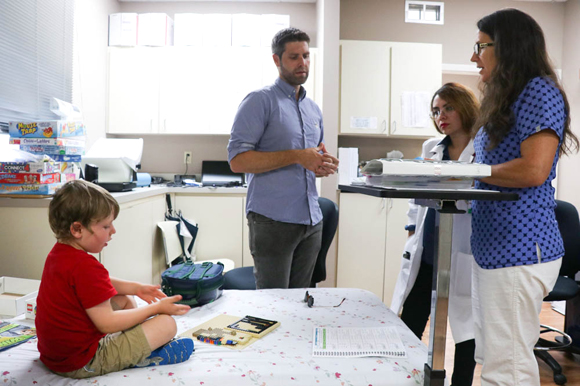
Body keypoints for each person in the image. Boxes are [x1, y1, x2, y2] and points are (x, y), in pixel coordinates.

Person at [469, 8, 578, 386]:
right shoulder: (508, 98)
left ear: (508, 47)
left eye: (480, 47)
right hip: (494, 247)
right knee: (497, 359)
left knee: (509, 368)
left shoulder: (538, 91)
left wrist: (475, 172)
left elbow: (533, 170)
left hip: (518, 248)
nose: (474, 56)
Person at [36, 180, 194, 378]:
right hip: (82, 362)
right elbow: (107, 324)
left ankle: (135, 344)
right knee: (166, 324)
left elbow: (98, 284)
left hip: (55, 356)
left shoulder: (59, 254)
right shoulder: (85, 266)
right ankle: (140, 354)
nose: (113, 231)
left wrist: (135, 288)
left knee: (125, 298)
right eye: (106, 226)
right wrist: (155, 309)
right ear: (77, 229)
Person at [227, 27, 339, 289]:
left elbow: (309, 159)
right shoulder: (259, 101)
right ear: (277, 60)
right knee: (272, 305)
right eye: (294, 57)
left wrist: (319, 165)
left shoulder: (313, 110)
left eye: (306, 55)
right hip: (272, 220)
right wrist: (299, 156)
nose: (303, 63)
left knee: (300, 303)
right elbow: (238, 161)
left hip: (311, 221)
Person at [390, 82, 479, 386]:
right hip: (428, 250)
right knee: (410, 324)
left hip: (464, 251)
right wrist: (412, 230)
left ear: (465, 107)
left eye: (448, 108)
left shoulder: (484, 149)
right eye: (436, 111)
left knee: (466, 333)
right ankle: (407, 379)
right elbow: (418, 196)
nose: (441, 115)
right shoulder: (432, 147)